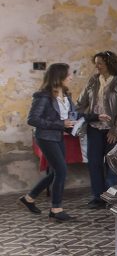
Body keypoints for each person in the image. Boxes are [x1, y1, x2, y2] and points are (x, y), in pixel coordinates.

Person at [21, 63, 78, 221]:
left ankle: (29, 198)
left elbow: (73, 114)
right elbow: (33, 119)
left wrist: (95, 117)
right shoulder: (43, 96)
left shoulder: (66, 95)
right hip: (45, 137)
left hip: (58, 136)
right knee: (61, 171)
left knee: (56, 172)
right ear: (59, 77)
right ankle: (56, 208)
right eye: (68, 74)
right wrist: (60, 124)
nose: (71, 77)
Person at [76, 50, 117, 208]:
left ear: (109, 64)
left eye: (100, 63)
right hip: (94, 128)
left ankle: (112, 196)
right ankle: (98, 197)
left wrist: (116, 129)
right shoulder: (93, 81)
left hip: (112, 130)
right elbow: (81, 102)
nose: (96, 66)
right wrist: (75, 115)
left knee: (112, 163)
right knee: (94, 163)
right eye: (96, 63)